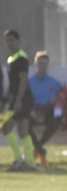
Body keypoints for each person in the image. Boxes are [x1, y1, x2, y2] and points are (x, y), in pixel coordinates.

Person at [2, 29, 36, 172]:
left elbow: (23, 81)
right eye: (7, 40)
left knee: (7, 127)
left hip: (23, 99)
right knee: (22, 130)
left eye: (12, 40)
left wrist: (18, 100)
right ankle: (29, 163)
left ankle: (21, 161)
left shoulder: (21, 58)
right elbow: (12, 82)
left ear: (18, 41)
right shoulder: (11, 59)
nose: (9, 43)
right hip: (16, 99)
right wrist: (4, 98)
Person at [28, 51, 62, 167]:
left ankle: (38, 148)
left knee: (57, 122)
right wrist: (35, 110)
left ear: (48, 65)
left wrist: (53, 102)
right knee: (24, 124)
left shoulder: (55, 83)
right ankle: (41, 150)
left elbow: (60, 98)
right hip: (34, 111)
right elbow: (26, 100)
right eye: (40, 63)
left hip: (48, 111)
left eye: (45, 64)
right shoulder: (29, 82)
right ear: (35, 65)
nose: (42, 66)